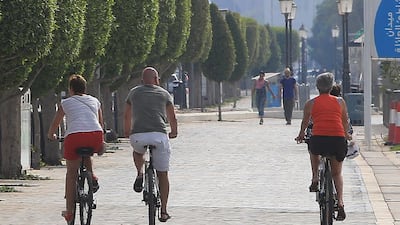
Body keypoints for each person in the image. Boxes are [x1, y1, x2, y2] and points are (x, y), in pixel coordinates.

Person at [123, 66, 178, 222]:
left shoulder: (133, 92)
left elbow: (126, 114)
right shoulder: (164, 94)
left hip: (138, 136)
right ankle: (164, 211)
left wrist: (127, 131)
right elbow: (172, 117)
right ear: (156, 80)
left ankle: (140, 173)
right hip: (159, 136)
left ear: (142, 81)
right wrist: (173, 132)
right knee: (163, 174)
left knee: (138, 151)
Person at [48, 74, 104, 223]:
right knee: (88, 153)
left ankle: (70, 212)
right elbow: (100, 123)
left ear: (71, 89)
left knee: (71, 175)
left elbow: (56, 123)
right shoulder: (94, 101)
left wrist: (51, 134)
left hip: (74, 137)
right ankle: (91, 176)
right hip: (95, 135)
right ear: (85, 88)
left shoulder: (66, 103)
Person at [296, 73, 350, 221]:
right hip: (337, 140)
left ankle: (314, 178)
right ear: (331, 86)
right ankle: (340, 203)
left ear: (317, 87)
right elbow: (344, 121)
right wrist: (346, 135)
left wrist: (301, 135)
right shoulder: (340, 102)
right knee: (337, 173)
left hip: (319, 139)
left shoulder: (310, 103)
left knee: (313, 150)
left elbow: (305, 123)